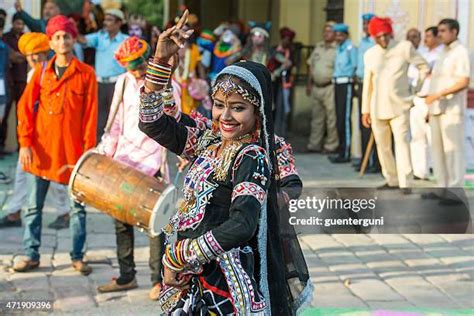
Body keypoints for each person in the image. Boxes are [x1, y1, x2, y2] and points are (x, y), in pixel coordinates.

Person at [139, 10, 310, 314]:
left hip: (228, 278)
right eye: (219, 105)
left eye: (238, 108)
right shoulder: (208, 140)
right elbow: (154, 123)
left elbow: (243, 224)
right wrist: (161, 63)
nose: (225, 116)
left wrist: (181, 255)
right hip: (192, 274)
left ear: (258, 112)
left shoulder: (255, 155)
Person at [13, 15, 97, 274]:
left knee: (77, 209)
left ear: (73, 39)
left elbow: (90, 116)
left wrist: (87, 155)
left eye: (66, 36)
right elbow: (24, 110)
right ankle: (30, 253)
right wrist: (25, 145)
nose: (62, 41)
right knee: (33, 207)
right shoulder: (40, 73)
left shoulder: (86, 74)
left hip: (73, 154)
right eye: (57, 37)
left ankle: (77, 255)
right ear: (50, 42)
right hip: (41, 151)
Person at [95, 36, 169, 300]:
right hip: (124, 161)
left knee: (155, 224)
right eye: (130, 66)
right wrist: (105, 151)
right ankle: (126, 276)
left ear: (148, 58)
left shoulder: (165, 83)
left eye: (138, 64)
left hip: (153, 162)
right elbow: (115, 121)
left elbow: (174, 120)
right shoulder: (124, 82)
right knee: (120, 222)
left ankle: (157, 280)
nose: (136, 71)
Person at [0, 32, 71, 230]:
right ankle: (14, 212)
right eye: (30, 55)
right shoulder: (33, 74)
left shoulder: (51, 73)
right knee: (22, 172)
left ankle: (64, 212)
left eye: (38, 54)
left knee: (53, 175)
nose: (33, 58)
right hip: (31, 136)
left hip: (47, 136)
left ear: (46, 53)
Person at [361, 17, 428, 193]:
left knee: (402, 143)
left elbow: (424, 67)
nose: (383, 39)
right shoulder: (370, 54)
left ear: (390, 33)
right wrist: (365, 110)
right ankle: (391, 179)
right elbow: (368, 84)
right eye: (378, 36)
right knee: (383, 147)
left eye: (385, 35)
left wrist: (415, 89)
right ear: (373, 37)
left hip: (401, 105)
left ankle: (406, 182)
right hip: (377, 107)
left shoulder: (404, 47)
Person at [425, 18, 470, 202]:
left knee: (453, 152)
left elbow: (463, 81)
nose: (440, 34)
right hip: (436, 108)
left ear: (454, 32)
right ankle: (441, 188)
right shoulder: (443, 52)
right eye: (439, 31)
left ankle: (455, 191)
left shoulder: (461, 52)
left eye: (443, 31)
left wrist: (438, 95)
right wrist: (431, 104)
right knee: (438, 151)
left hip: (452, 109)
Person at [78, 9, 128, 141]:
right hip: (99, 84)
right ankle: (99, 151)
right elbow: (82, 40)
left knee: (117, 118)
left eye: (110, 20)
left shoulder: (126, 40)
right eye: (105, 19)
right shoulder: (99, 37)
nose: (106, 23)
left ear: (119, 23)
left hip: (118, 84)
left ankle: (116, 151)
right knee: (99, 119)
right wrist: (70, 27)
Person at [409, 26, 444, 181]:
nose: (426, 39)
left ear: (437, 37)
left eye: (429, 36)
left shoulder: (443, 55)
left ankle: (437, 171)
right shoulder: (421, 53)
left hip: (433, 99)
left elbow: (438, 78)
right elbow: (412, 74)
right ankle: (419, 171)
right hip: (418, 97)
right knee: (417, 136)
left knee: (433, 138)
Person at [306, 21, 338, 153]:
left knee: (331, 118)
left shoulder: (338, 49)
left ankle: (331, 145)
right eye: (325, 31)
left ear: (335, 33)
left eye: (329, 31)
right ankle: (314, 145)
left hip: (330, 87)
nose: (326, 34)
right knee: (316, 118)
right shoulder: (318, 47)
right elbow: (311, 66)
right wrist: (309, 83)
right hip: (316, 87)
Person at [354, 13, 379, 173]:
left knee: (377, 124)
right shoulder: (362, 42)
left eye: (368, 23)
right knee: (363, 124)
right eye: (364, 23)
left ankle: (377, 163)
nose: (365, 26)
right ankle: (364, 159)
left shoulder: (376, 42)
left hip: (374, 85)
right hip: (361, 83)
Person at [329, 23, 357, 163]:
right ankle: (340, 150)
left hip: (346, 83)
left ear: (345, 35)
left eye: (340, 35)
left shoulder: (350, 47)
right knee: (339, 118)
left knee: (344, 119)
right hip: (337, 83)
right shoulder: (339, 48)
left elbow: (354, 66)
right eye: (336, 35)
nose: (337, 37)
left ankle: (345, 153)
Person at [2, 13, 27, 154]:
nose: (20, 26)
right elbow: (15, 57)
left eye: (22, 24)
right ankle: (2, 146)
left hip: (22, 82)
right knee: (4, 116)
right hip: (9, 83)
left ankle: (21, 146)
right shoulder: (5, 38)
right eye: (17, 23)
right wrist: (22, 56)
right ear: (12, 24)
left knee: (22, 117)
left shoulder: (25, 37)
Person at [270, 26, 296, 138]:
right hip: (274, 82)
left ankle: (281, 132)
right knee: (273, 106)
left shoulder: (291, 51)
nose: (286, 41)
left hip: (285, 83)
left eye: (288, 39)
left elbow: (291, 64)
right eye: (285, 38)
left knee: (284, 107)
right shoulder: (274, 49)